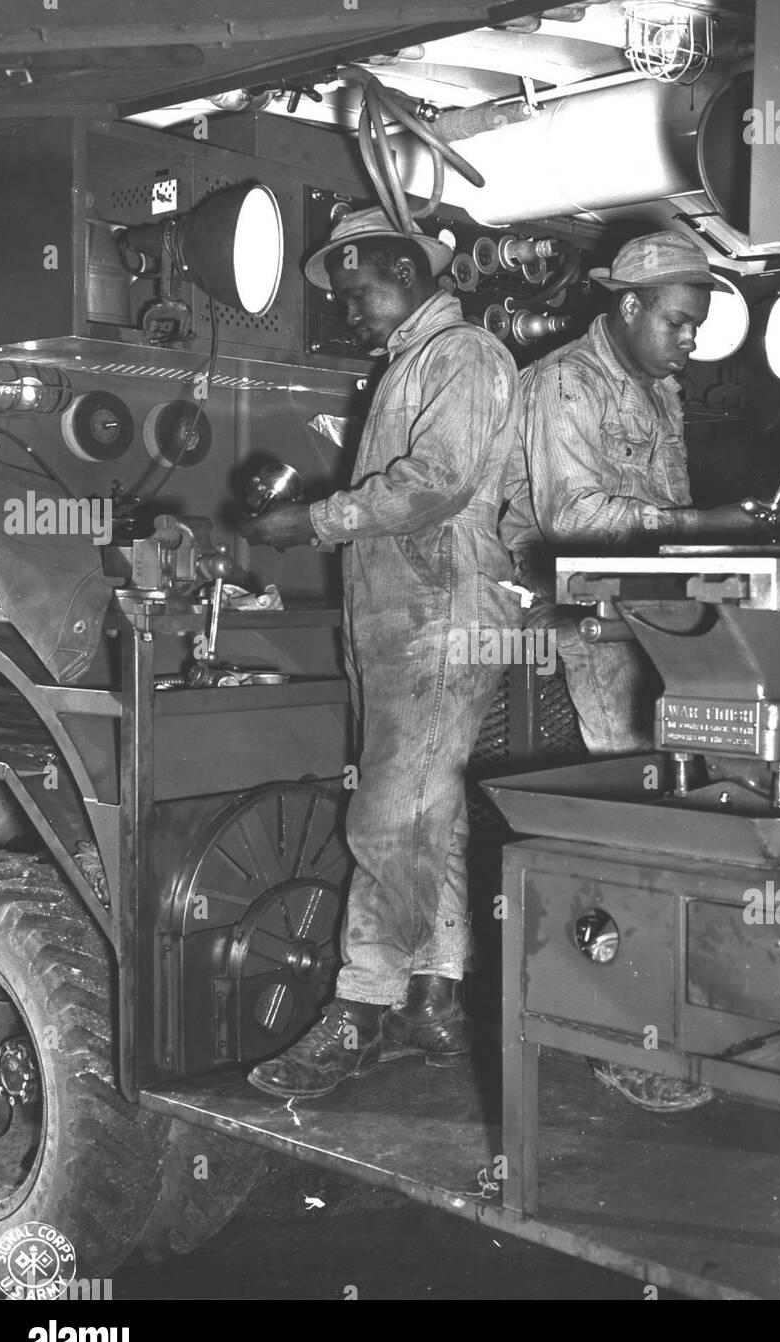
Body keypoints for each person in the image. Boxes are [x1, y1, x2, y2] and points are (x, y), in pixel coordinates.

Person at [241, 207, 521, 1099]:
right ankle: (434, 998)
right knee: (425, 811)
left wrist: (311, 521)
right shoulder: (411, 364)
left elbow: (433, 484)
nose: (348, 311)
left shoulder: (463, 355)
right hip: (409, 618)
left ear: (404, 271)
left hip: (441, 618)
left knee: (388, 819)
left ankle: (358, 1013)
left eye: (356, 292)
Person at [502, 229, 765, 1112]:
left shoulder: (659, 390)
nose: (689, 339)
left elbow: (671, 517)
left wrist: (725, 535)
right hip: (577, 611)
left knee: (688, 790)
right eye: (680, 322)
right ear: (626, 306)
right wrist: (715, 523)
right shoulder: (564, 385)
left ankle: (684, 998)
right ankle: (623, 1025)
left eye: (694, 325)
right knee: (637, 802)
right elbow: (574, 520)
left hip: (644, 611)